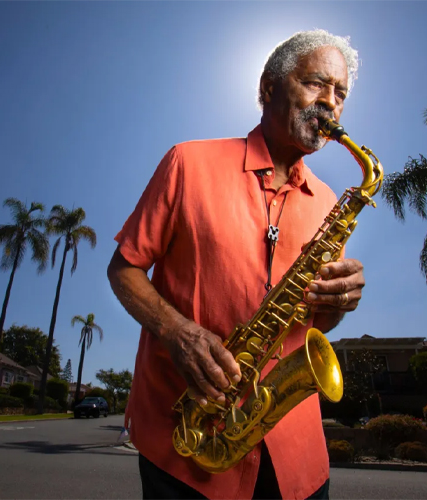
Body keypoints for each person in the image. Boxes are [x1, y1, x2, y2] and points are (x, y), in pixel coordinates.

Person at [108, 29, 364, 500]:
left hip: (296, 454)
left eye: (341, 93)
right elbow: (122, 269)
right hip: (186, 445)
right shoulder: (187, 162)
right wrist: (176, 332)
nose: (331, 103)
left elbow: (315, 321)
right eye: (316, 84)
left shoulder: (329, 201)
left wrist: (339, 302)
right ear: (269, 88)